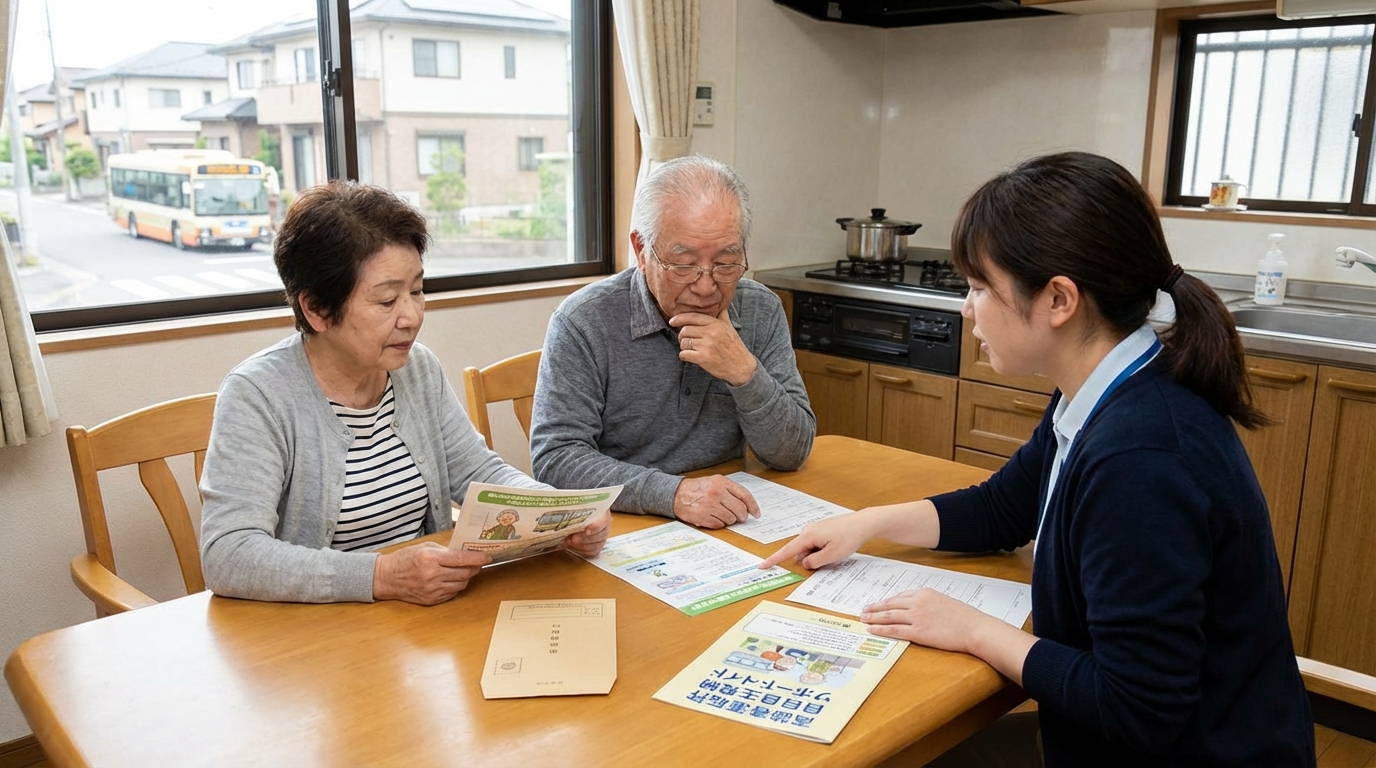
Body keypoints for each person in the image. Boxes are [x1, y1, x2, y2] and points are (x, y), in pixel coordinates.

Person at [762, 152, 1314, 766]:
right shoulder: (1105, 384)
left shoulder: (1142, 456)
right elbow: (1006, 507)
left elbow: (1138, 707)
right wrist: (868, 523)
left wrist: (973, 628)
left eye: (977, 288)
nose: (966, 310)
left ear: (1059, 300)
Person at [199, 180, 610, 606]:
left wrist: (560, 513)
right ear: (317, 309)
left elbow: (478, 473)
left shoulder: (417, 368)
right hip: (317, 632)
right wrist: (381, 576)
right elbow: (229, 555)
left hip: (418, 621)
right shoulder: (259, 394)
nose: (411, 317)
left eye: (416, 291)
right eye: (386, 301)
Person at [529, 155, 815, 529]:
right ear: (641, 250)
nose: (706, 285)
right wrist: (674, 494)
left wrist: (744, 373)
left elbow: (791, 453)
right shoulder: (584, 320)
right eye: (683, 264)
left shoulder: (760, 308)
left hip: (727, 518)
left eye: (726, 263)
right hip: (623, 524)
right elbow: (556, 459)